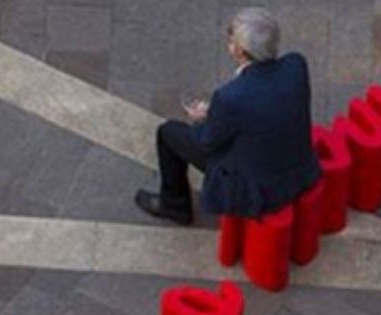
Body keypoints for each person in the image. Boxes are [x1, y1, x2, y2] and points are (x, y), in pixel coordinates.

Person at [134, 7, 321, 225]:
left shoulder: (230, 98)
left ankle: (174, 205)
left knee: (168, 133)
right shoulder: (296, 64)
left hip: (260, 190)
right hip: (299, 171)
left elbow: (205, 142)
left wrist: (204, 118)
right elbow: (262, 105)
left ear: (239, 51)